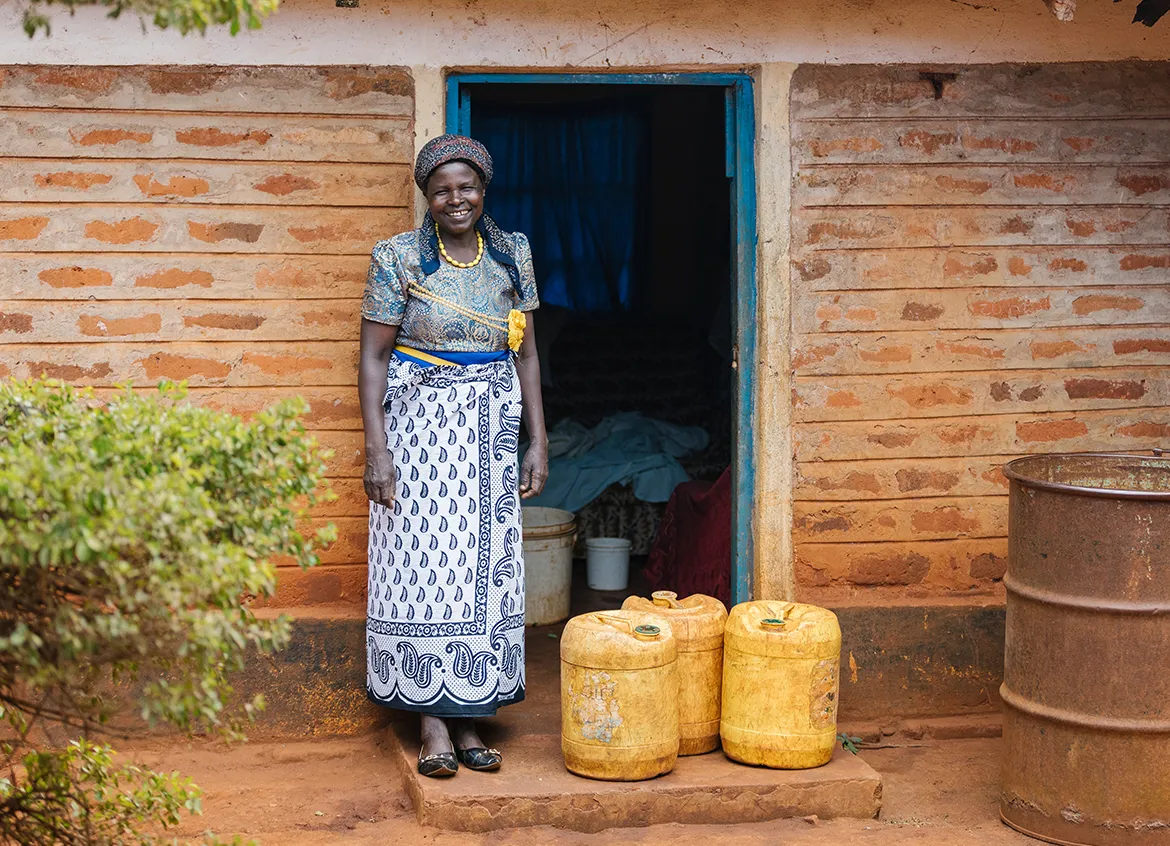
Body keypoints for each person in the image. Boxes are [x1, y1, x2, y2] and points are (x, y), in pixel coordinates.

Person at [358, 135, 548, 778]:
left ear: (483, 189)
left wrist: (537, 440)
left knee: (483, 568)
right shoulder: (397, 258)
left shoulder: (512, 253)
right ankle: (431, 719)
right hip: (421, 430)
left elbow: (525, 352)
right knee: (422, 563)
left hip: (491, 430)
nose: (455, 198)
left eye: (466, 186)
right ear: (426, 197)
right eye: (442, 189)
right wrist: (378, 449)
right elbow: (374, 357)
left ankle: (470, 709)